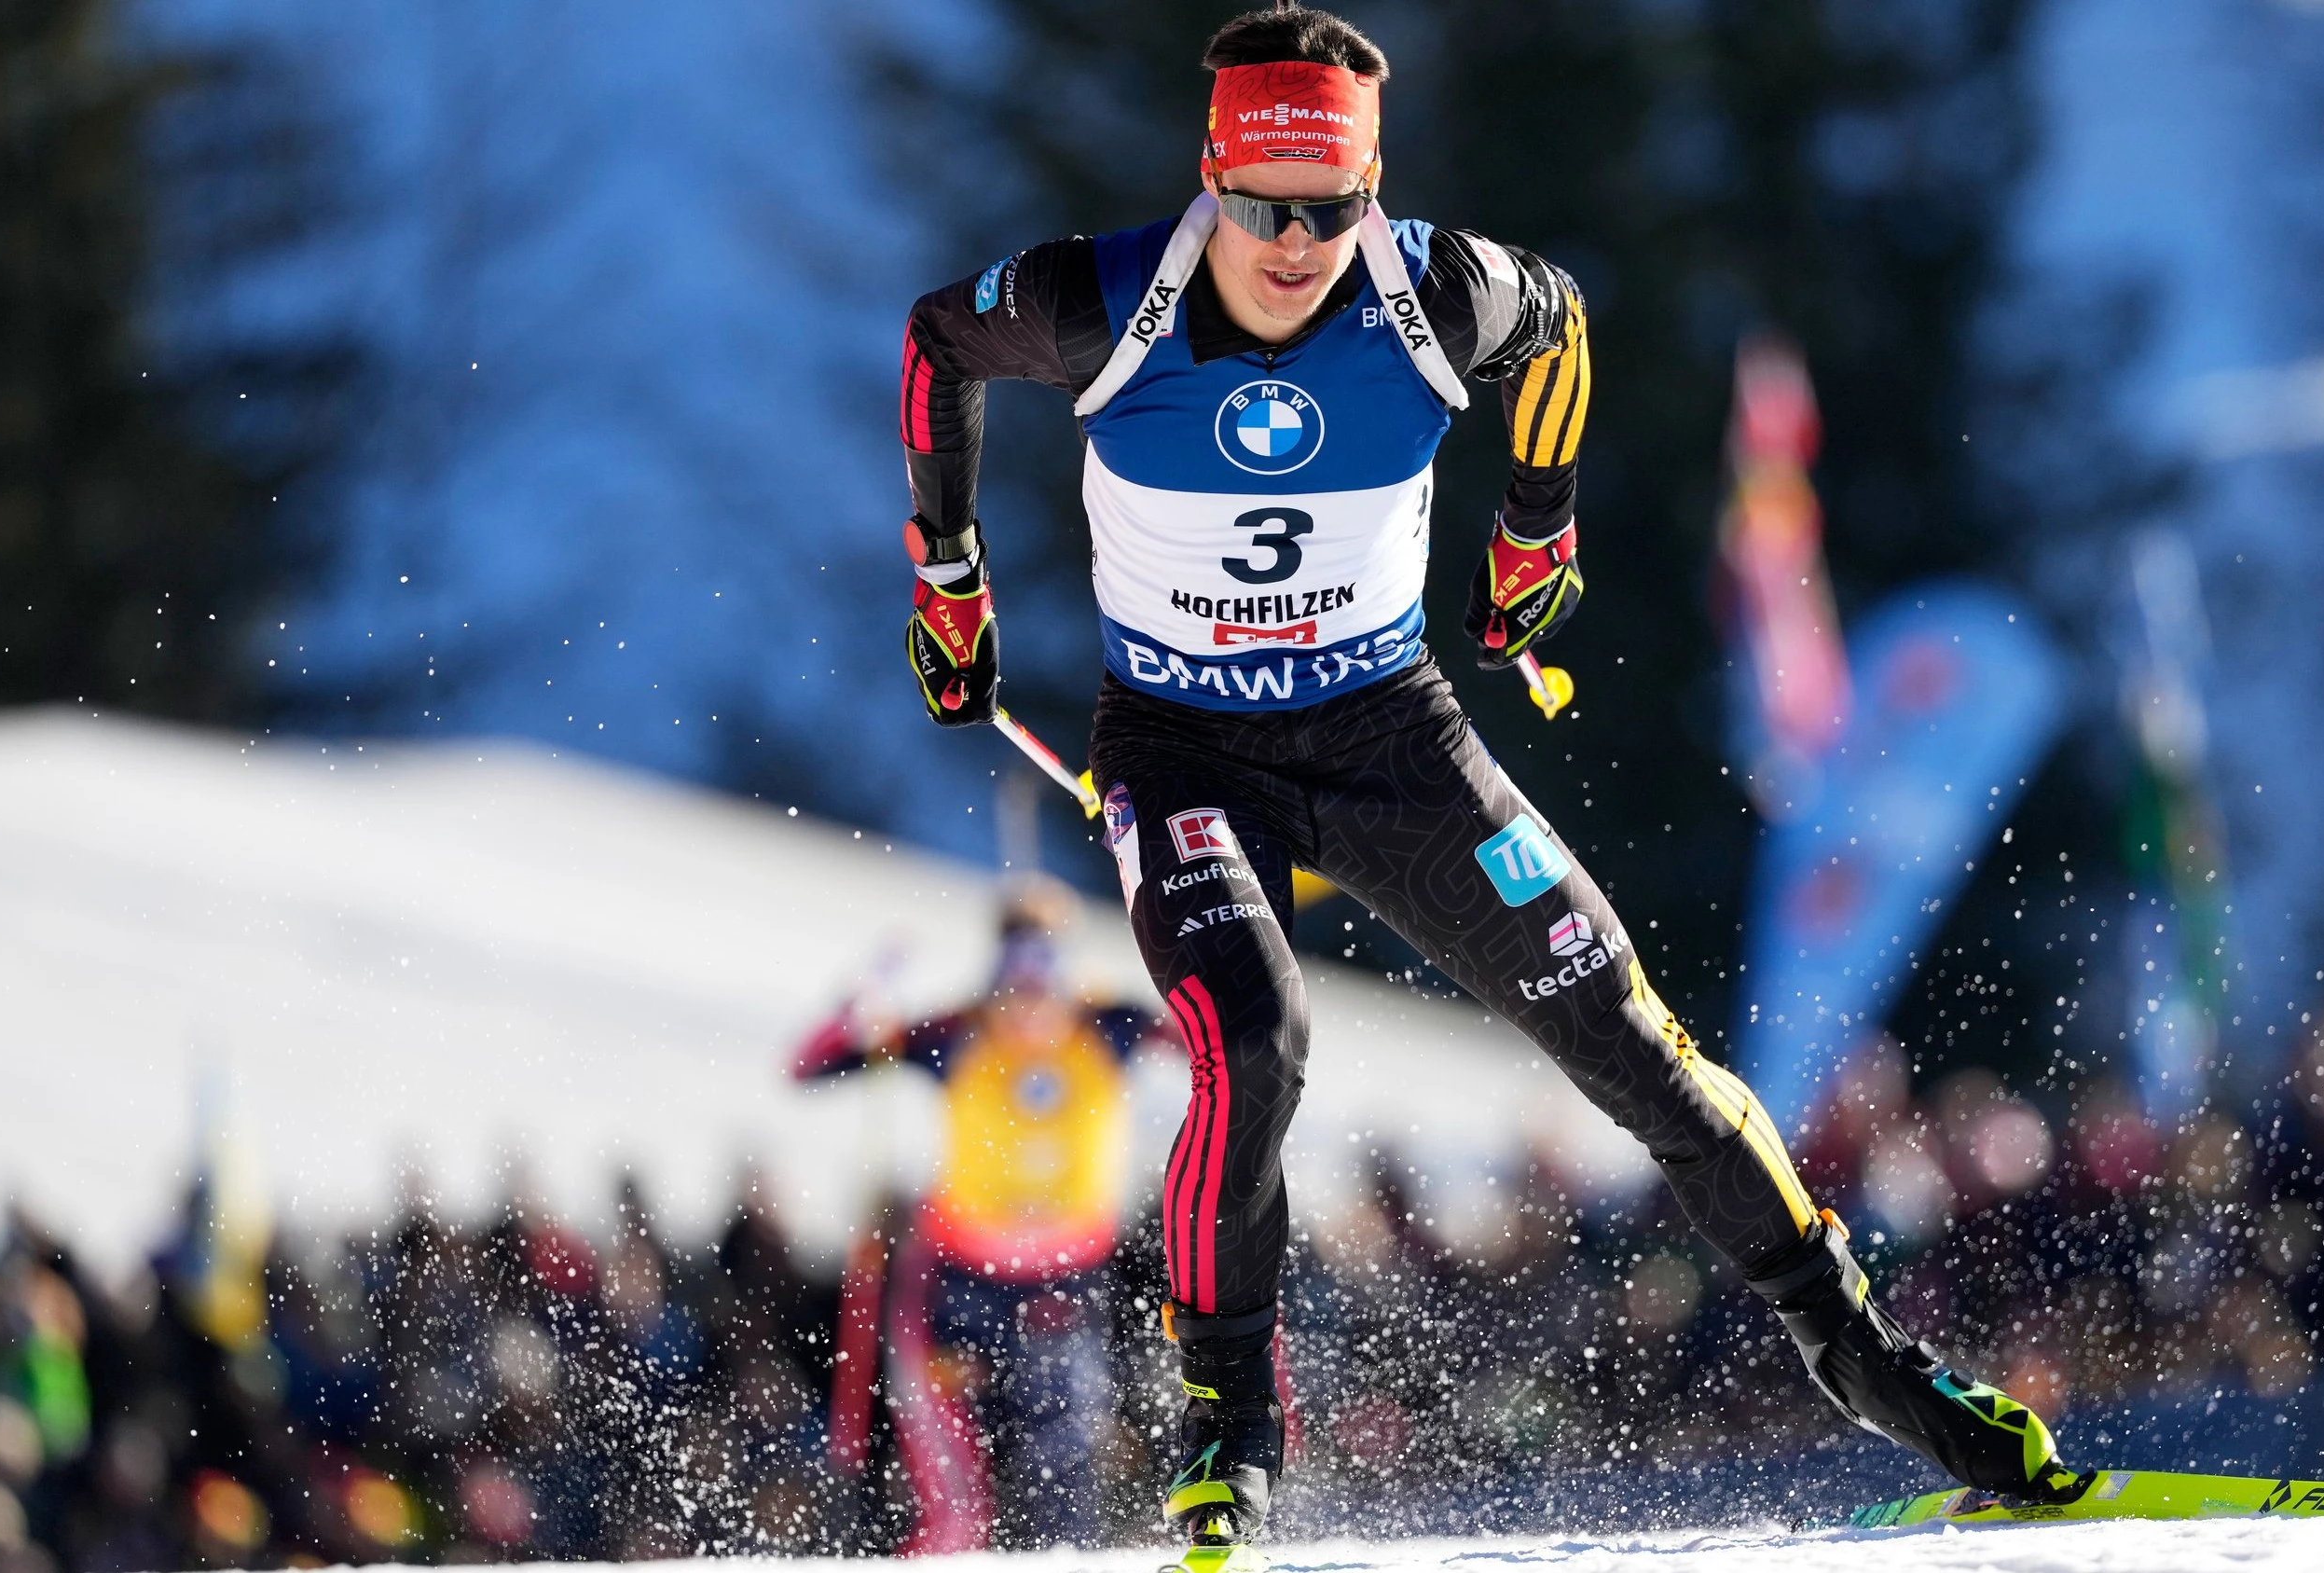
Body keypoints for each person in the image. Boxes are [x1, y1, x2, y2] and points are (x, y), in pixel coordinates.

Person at [892, 4, 2073, 1560]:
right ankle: (1230, 1430)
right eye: (1263, 204)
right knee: (1251, 1034)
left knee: (1635, 1040)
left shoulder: (1432, 288)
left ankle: (1865, 1360)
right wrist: (950, 578)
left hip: (1393, 735)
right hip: (1187, 752)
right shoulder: (1103, 297)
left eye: (1332, 206)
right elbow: (935, 342)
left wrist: (1537, 534)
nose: (1297, 241)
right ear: (1211, 180)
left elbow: (1563, 323)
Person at [792, 879, 1156, 1550]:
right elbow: (810, 1065)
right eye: (1013, 981)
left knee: (1063, 1478)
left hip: (1064, 1283)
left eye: (1044, 976)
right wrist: (858, 1003)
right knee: (956, 1501)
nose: (1028, 1002)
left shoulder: (1108, 1027)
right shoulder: (957, 1034)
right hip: (958, 1287)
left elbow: (1226, 1037)